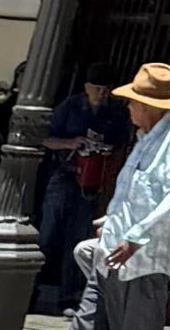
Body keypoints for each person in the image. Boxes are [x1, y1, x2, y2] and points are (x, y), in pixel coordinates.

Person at [54, 58, 170, 330]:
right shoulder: (143, 137)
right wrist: (113, 220)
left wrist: (136, 236)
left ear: (149, 105)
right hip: (110, 255)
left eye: (132, 101)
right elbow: (136, 193)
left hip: (142, 264)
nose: (128, 107)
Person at [32, 72, 133, 310]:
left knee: (77, 238)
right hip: (63, 174)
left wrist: (106, 150)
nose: (102, 94)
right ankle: (31, 290)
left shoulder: (115, 113)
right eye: (97, 88)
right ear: (87, 87)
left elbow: (121, 145)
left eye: (106, 89)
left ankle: (67, 296)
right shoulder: (70, 107)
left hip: (91, 181)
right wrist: (70, 143)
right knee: (47, 234)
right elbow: (44, 138)